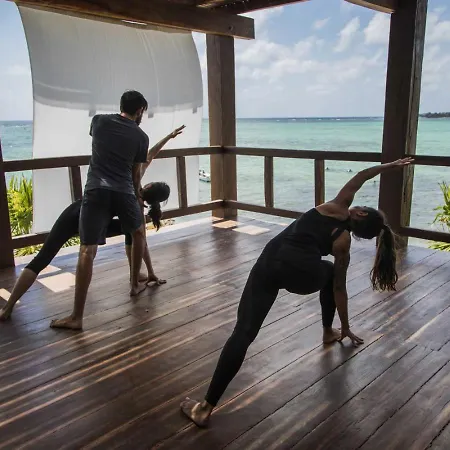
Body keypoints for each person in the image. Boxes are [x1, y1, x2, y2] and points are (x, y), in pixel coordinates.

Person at [180, 157, 414, 427]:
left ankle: (205, 408)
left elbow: (362, 175)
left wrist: (389, 166)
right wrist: (346, 327)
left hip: (270, 264)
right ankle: (328, 331)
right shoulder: (343, 243)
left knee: (243, 333)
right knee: (330, 272)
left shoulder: (337, 206)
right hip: (304, 277)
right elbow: (339, 289)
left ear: (360, 214)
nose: (359, 205)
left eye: (362, 206)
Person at [49, 90, 179, 330]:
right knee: (138, 234)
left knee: (87, 250)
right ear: (139, 110)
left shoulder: (98, 121)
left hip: (96, 190)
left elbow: (101, 146)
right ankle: (134, 283)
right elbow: (135, 174)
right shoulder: (141, 136)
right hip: (125, 191)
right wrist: (136, 194)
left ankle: (76, 317)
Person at [0, 182, 170, 321]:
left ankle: (7, 308)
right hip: (93, 221)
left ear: (149, 186)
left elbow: (146, 159)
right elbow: (141, 240)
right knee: (132, 232)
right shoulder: (135, 206)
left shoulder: (129, 186)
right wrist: (151, 272)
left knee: (42, 259)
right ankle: (136, 275)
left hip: (74, 215)